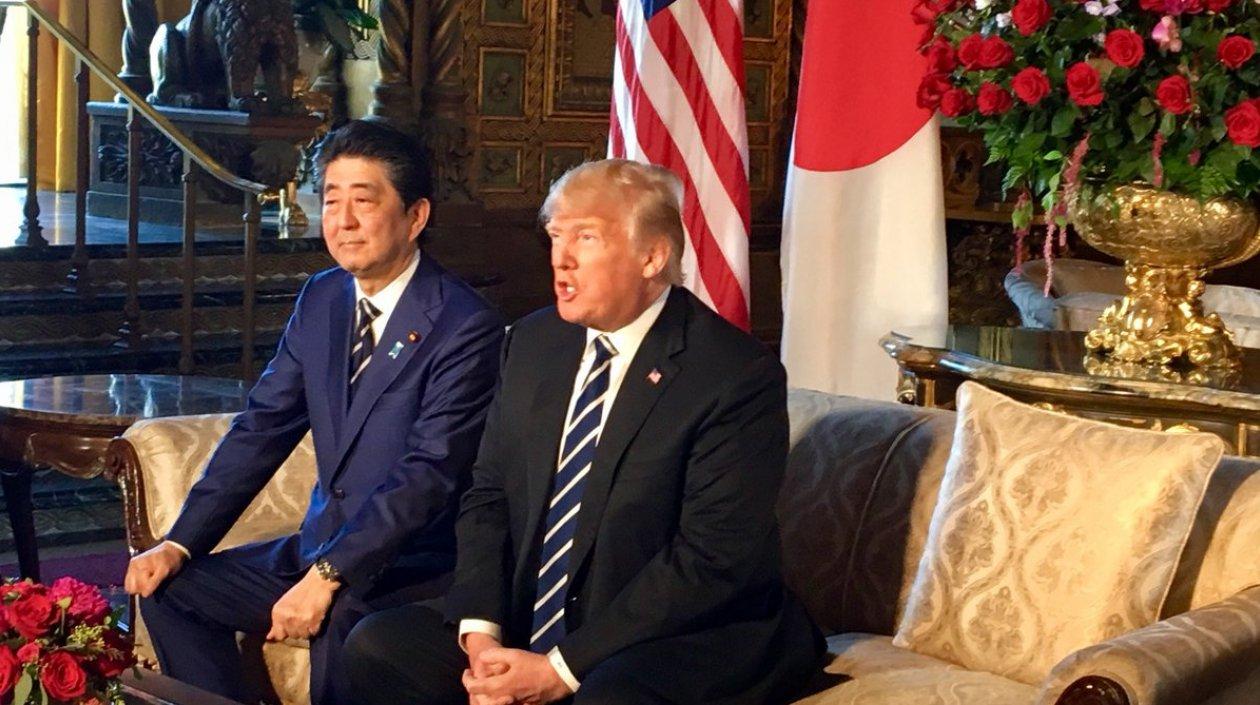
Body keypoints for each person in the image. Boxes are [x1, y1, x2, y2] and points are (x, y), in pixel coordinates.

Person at [344, 159, 822, 704]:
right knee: (379, 645)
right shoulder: (532, 343)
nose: (561, 259)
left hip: (682, 630)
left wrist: (560, 669)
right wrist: (482, 634)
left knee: (605, 698)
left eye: (586, 238)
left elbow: (710, 561)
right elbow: (488, 493)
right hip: (538, 614)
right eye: (555, 237)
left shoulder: (733, 375)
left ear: (653, 256)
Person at [123, 119, 505, 705]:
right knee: (170, 591)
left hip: (406, 566)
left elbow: (428, 474)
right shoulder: (323, 297)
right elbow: (262, 428)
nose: (343, 221)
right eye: (331, 201)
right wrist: (179, 543)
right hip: (315, 546)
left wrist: (328, 577)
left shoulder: (464, 325)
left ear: (416, 216)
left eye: (363, 201)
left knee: (341, 615)